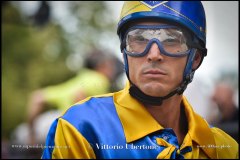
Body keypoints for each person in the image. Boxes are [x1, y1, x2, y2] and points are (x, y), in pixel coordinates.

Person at [42, 1, 238, 159]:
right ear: (125, 52)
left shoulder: (225, 149)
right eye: (139, 39)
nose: (153, 54)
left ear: (195, 58)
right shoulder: (81, 130)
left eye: (171, 40)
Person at [21, 49, 119, 146]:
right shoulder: (100, 80)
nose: (113, 70)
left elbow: (37, 98)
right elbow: (79, 95)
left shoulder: (78, 80)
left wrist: (32, 136)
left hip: (44, 128)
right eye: (111, 66)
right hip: (62, 129)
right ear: (102, 66)